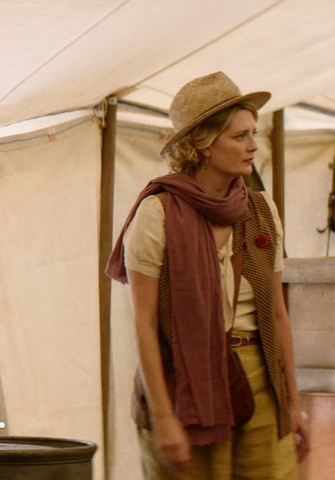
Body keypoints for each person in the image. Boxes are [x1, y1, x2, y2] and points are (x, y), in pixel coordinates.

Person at [106, 71, 308, 479]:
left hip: (259, 381)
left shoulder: (262, 211)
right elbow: (144, 325)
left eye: (254, 133)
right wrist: (164, 418)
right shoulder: (156, 214)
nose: (253, 146)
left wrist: (293, 403)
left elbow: (277, 314)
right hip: (181, 385)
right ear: (203, 146)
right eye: (240, 136)